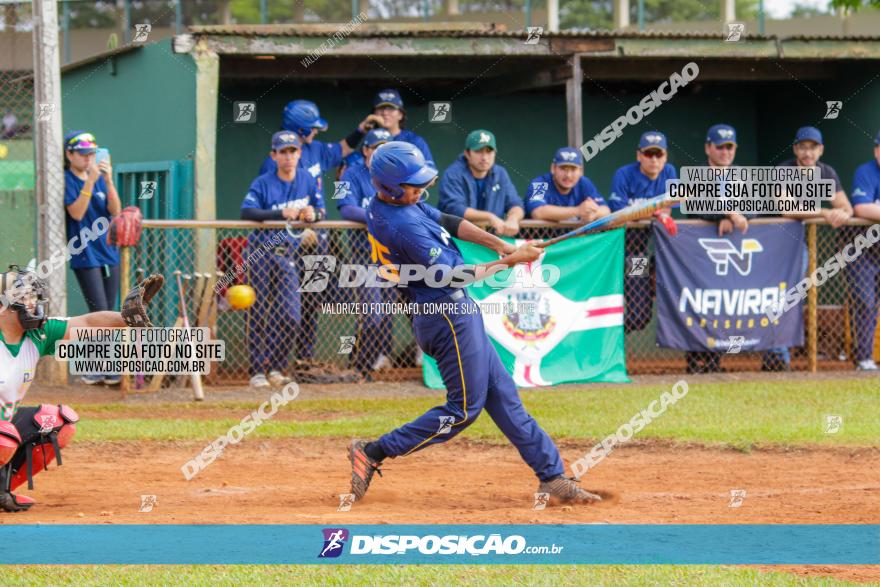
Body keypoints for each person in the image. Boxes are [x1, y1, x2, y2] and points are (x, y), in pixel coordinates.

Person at [347, 141, 601, 505]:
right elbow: (453, 277)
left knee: (505, 399)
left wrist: (501, 244)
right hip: (444, 315)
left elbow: (448, 221)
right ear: (388, 186)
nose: (421, 189)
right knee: (462, 409)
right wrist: (512, 262)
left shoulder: (392, 202)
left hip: (454, 312)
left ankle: (553, 477)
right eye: (412, 184)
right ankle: (373, 451)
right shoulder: (400, 224)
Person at [0, 266, 161, 511]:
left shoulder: (38, 336)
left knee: (56, 422)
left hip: (5, 427)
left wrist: (126, 318)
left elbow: (86, 322)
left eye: (34, 297)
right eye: (24, 298)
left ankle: (2, 490)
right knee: (4, 436)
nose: (33, 303)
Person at [241, 131, 322, 388]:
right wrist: (279, 213)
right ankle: (257, 371)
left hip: (287, 254)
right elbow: (247, 212)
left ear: (299, 153)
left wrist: (313, 214)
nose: (288, 157)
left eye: (292, 151)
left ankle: (275, 368)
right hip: (260, 253)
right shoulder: (264, 182)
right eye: (283, 152)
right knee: (258, 312)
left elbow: (321, 210)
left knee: (290, 315)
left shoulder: (307, 179)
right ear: (273, 156)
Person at [774, 126, 853, 370]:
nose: (808, 152)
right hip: (774, 241)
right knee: (775, 295)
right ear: (796, 149)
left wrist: (841, 213)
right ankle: (776, 353)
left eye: (813, 147)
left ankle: (781, 354)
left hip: (801, 243)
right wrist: (824, 212)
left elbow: (846, 206)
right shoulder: (784, 170)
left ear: (820, 150)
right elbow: (787, 208)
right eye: (803, 147)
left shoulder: (826, 172)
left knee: (795, 295)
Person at [685, 124, 750, 374]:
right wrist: (727, 214)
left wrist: (734, 216)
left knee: (721, 305)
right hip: (698, 250)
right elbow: (696, 207)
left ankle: (714, 361)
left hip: (729, 252)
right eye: (720, 147)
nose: (725, 152)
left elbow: (753, 210)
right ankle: (692, 360)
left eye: (729, 147)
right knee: (697, 303)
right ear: (708, 148)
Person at [63, 131, 122, 385]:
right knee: (98, 311)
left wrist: (107, 181)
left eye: (91, 154)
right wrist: (89, 182)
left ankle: (108, 369)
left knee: (110, 312)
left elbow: (115, 210)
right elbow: (76, 213)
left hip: (108, 251)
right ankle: (94, 367)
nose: (88, 159)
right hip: (85, 253)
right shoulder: (66, 179)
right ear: (70, 155)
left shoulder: (99, 178)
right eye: (83, 154)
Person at [336, 128, 394, 373]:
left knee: (389, 315)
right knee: (372, 315)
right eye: (376, 147)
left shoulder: (397, 175)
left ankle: (370, 364)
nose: (380, 152)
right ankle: (358, 367)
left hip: (393, 256)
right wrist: (376, 216)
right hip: (364, 256)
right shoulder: (350, 173)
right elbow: (345, 208)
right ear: (366, 150)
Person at [608, 132, 678, 333]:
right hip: (621, 250)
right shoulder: (624, 174)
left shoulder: (669, 172)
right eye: (649, 154)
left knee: (640, 316)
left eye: (658, 154)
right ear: (639, 155)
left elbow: (670, 204)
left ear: (665, 157)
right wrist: (655, 212)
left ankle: (614, 335)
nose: (654, 159)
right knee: (629, 310)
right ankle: (606, 336)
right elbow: (620, 213)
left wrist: (652, 213)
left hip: (646, 252)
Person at [258, 99, 383, 196]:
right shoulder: (273, 164)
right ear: (301, 129)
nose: (316, 131)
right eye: (313, 128)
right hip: (288, 226)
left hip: (316, 224)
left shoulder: (315, 148)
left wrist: (361, 130)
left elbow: (343, 149)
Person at [438, 129, 524, 236]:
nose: (484, 157)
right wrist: (489, 217)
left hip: (491, 238)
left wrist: (513, 218)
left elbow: (516, 203)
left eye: (489, 151)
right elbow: (454, 209)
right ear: (467, 153)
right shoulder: (453, 173)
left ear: (495, 153)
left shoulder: (500, 173)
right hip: (455, 238)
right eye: (478, 151)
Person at [845, 130, 880, 371]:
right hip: (861, 247)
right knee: (866, 301)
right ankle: (864, 358)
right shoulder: (866, 172)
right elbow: (861, 209)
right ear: (876, 150)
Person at [525, 146, 610, 222]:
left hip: (573, 238)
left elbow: (606, 210)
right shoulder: (541, 184)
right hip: (540, 238)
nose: (568, 175)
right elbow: (538, 212)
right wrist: (578, 211)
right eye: (563, 168)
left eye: (573, 169)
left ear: (580, 171)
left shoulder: (584, 183)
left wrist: (594, 213)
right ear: (553, 168)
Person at [370, 89, 435, 168]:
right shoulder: (368, 140)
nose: (385, 113)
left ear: (400, 115)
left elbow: (431, 173)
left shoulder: (414, 141)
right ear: (374, 113)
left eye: (391, 108)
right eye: (381, 108)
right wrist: (361, 130)